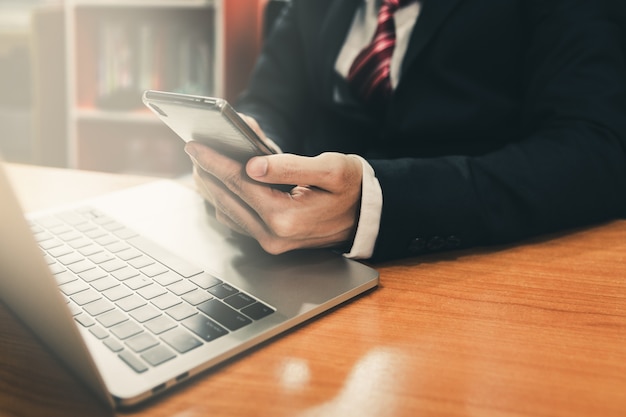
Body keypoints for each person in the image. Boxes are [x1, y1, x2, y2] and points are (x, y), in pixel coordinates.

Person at [183, 0, 626, 263]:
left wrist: (377, 204)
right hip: (294, 267)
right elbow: (271, 97)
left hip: (477, 278)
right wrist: (258, 149)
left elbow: (598, 151)